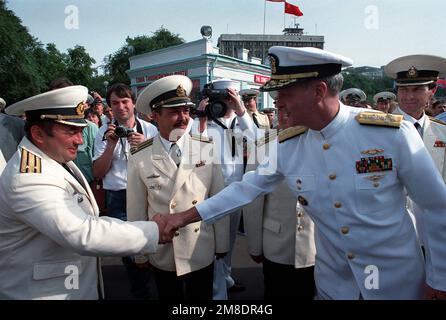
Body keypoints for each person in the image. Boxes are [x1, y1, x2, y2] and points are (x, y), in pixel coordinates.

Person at [160, 46, 446, 300]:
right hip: (336, 286)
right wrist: (184, 217)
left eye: (285, 93)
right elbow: (245, 189)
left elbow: (435, 207)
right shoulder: (289, 145)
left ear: (319, 91)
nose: (278, 102)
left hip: (398, 284)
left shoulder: (391, 134)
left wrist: (439, 277)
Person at [0, 86, 166, 299]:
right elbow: (84, 233)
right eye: (70, 131)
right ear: (38, 134)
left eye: (80, 130)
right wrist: (155, 231)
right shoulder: (28, 177)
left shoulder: (52, 157)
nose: (80, 141)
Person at [126, 75, 229, 300]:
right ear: (154, 115)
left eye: (186, 110)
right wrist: (141, 253)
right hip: (164, 251)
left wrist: (221, 244)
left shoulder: (205, 148)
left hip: (199, 247)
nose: (183, 118)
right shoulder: (139, 155)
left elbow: (218, 200)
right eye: (174, 111)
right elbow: (136, 209)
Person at [243, 94, 316, 300]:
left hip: (316, 246)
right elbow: (253, 202)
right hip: (277, 245)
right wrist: (254, 245)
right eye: (280, 109)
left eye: (290, 109)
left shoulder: (322, 142)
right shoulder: (263, 146)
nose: (284, 116)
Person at [192, 79, 260, 299]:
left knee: (229, 239)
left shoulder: (242, 121)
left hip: (237, 187)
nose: (231, 100)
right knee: (217, 242)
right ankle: (217, 290)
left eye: (234, 95)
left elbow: (259, 142)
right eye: (227, 96)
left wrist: (241, 111)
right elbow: (193, 149)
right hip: (214, 188)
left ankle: (226, 278)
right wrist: (201, 118)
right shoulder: (207, 119)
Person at [92, 83, 158, 299]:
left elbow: (164, 165)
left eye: (124, 101)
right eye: (114, 103)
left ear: (133, 104)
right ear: (109, 107)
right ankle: (142, 293)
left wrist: (147, 145)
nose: (120, 107)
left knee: (152, 244)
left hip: (147, 192)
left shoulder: (149, 129)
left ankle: (152, 286)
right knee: (130, 252)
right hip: (118, 196)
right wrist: (110, 145)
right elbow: (98, 172)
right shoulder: (104, 132)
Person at [385, 54, 446, 250]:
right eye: (404, 89)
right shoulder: (375, 130)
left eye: (418, 89)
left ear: (432, 91)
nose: (409, 96)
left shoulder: (442, 132)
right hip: (391, 232)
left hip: (434, 233)